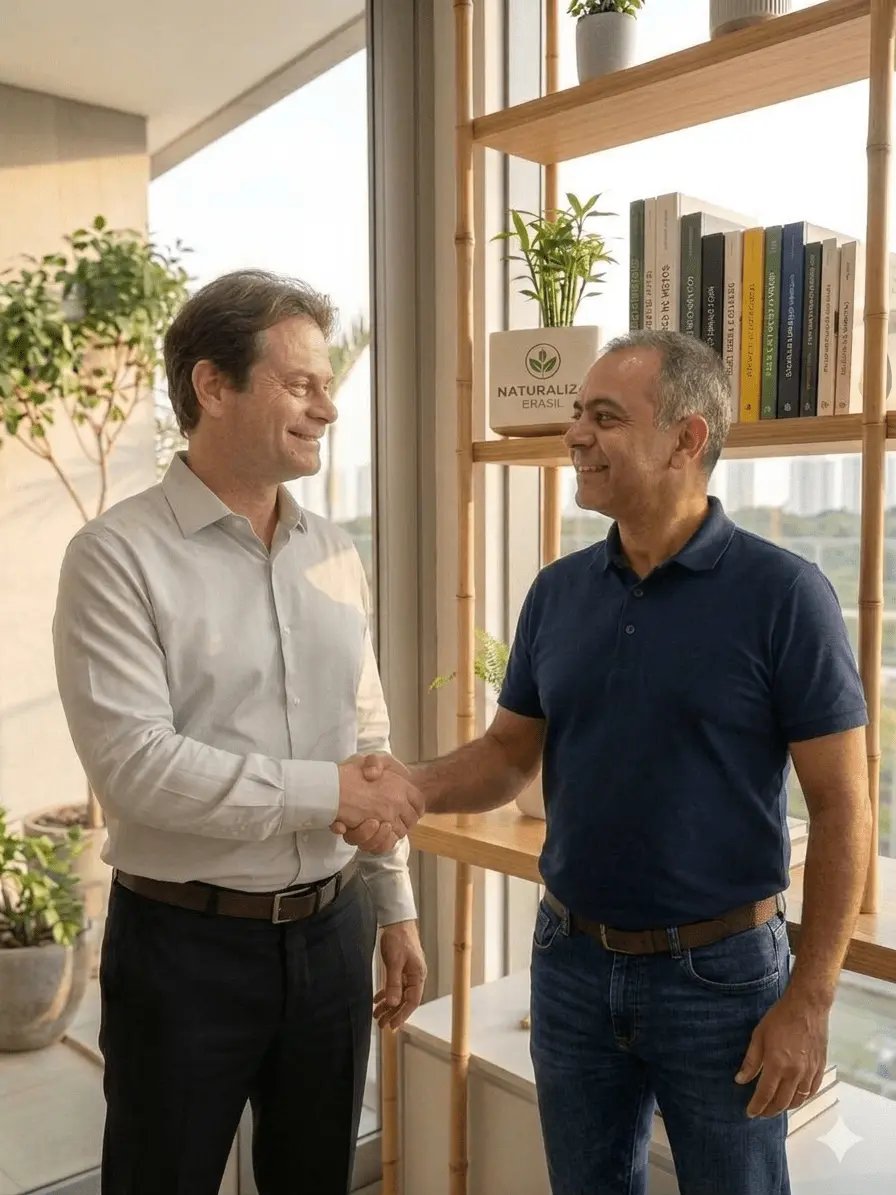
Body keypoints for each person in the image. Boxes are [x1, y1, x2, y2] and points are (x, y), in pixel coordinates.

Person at [354, 330, 873, 1195]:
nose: (576, 435)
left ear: (685, 439)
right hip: (570, 962)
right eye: (576, 413)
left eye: (605, 417)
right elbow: (508, 754)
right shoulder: (558, 591)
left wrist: (811, 1000)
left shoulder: (786, 595)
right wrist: (410, 785)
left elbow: (845, 806)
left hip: (722, 979)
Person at [53, 269, 427, 1195]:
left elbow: (365, 731)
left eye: (327, 386)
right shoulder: (115, 556)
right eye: (300, 384)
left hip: (333, 934)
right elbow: (137, 765)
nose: (327, 408)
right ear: (212, 385)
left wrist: (394, 904)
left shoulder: (335, 550)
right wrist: (330, 792)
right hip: (183, 951)